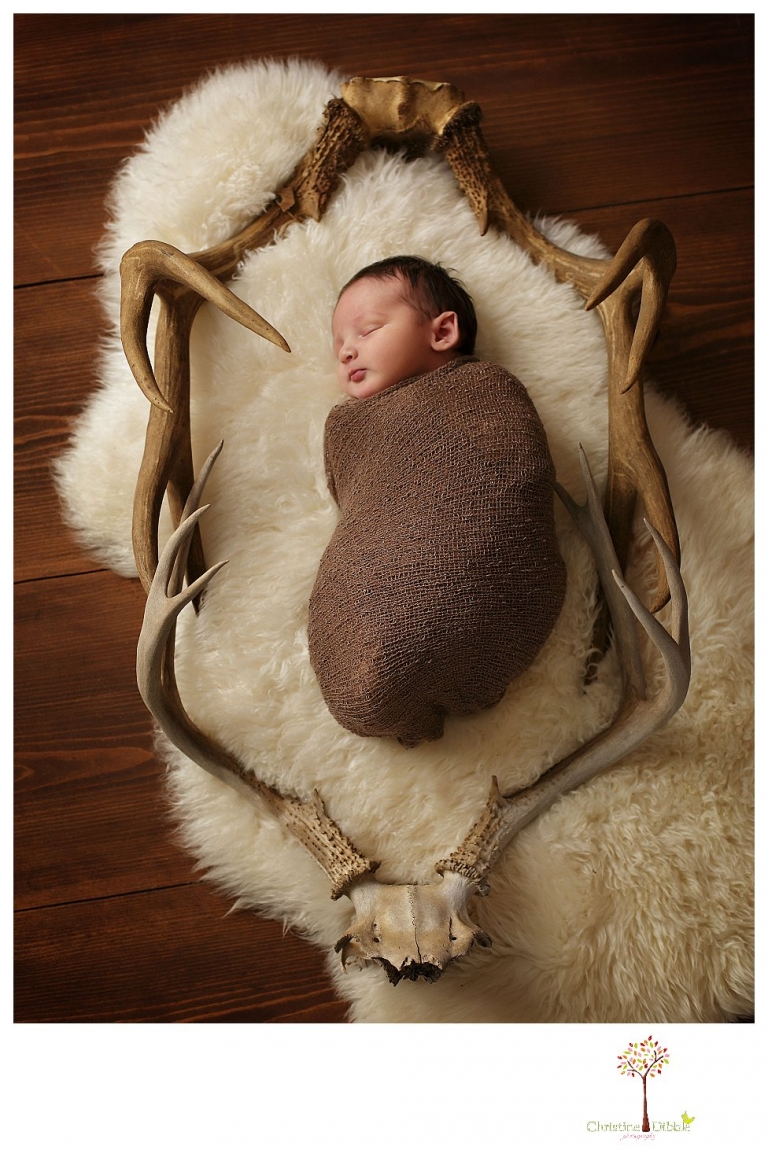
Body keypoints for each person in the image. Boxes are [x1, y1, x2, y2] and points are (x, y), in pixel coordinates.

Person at [308, 255, 566, 746]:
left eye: (367, 331)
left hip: (491, 583)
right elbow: (364, 508)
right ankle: (374, 677)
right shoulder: (348, 427)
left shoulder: (484, 390)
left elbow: (515, 468)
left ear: (442, 333)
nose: (346, 352)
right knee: (375, 635)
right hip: (383, 585)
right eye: (339, 343)